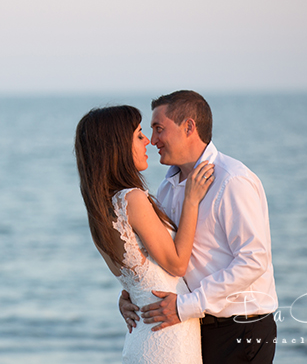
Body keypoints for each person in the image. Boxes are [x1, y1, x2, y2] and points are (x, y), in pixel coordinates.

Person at [120, 90, 278, 363]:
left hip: (239, 330)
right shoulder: (167, 187)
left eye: (159, 129)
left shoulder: (232, 180)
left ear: (189, 127)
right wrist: (132, 295)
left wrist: (186, 306)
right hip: (192, 328)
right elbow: (163, 256)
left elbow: (254, 260)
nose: (153, 140)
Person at [74, 105, 215, 364]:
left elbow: (136, 279)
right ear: (117, 147)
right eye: (139, 135)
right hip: (166, 337)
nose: (147, 141)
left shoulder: (100, 211)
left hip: (144, 334)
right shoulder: (132, 199)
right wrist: (191, 200)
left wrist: (128, 297)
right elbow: (177, 264)